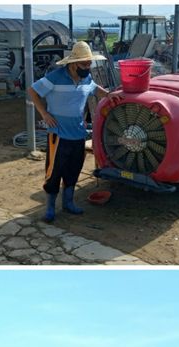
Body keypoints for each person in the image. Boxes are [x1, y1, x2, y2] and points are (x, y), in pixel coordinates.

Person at [26, 42, 110, 222]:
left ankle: (68, 203)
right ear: (73, 64)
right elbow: (32, 91)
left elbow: (97, 90)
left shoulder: (86, 79)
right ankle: (50, 208)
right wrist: (44, 113)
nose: (88, 67)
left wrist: (112, 95)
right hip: (58, 135)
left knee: (73, 170)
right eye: (85, 64)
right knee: (54, 172)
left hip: (78, 135)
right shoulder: (55, 77)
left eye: (90, 64)